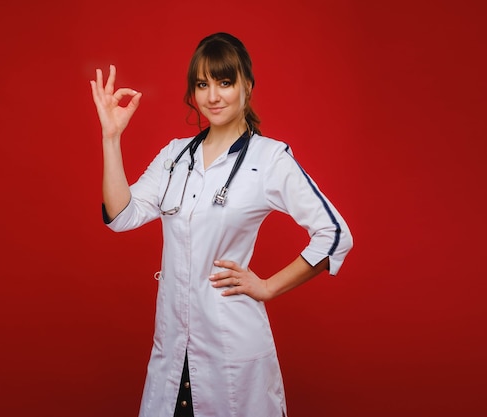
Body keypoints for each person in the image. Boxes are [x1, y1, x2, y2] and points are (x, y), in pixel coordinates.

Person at [90, 32, 353, 417]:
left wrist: (266, 287)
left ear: (247, 85)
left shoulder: (270, 158)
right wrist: (111, 138)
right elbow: (121, 215)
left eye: (224, 82)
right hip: (172, 350)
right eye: (202, 84)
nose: (212, 96)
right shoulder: (174, 156)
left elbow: (334, 235)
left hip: (231, 348)